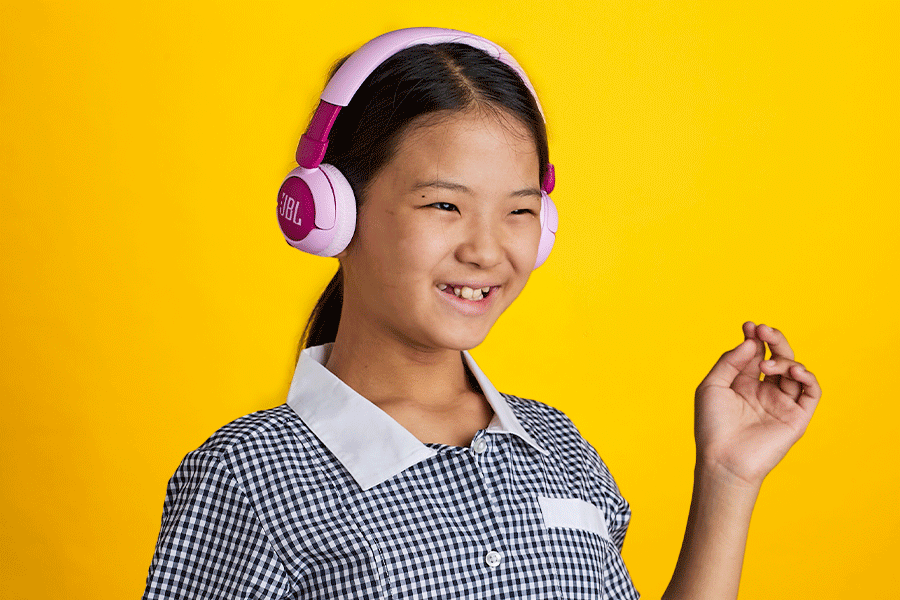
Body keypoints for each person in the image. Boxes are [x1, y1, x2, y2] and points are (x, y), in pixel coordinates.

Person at [143, 28, 822, 600]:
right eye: (444, 205)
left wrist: (728, 478)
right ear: (333, 213)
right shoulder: (247, 479)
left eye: (519, 210)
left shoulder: (560, 448)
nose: (486, 250)